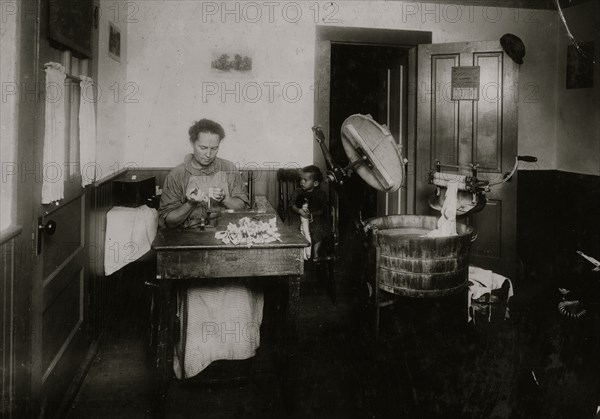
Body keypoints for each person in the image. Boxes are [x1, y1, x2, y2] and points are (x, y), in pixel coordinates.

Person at [158, 119, 263, 379]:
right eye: (203, 147)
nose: (208, 154)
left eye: (214, 148)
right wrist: (190, 204)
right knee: (197, 296)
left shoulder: (228, 169)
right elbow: (168, 220)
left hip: (225, 241)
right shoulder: (177, 175)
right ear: (192, 143)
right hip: (191, 245)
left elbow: (242, 206)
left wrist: (224, 199)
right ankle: (196, 361)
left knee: (240, 292)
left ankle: (237, 358)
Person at [290, 165, 329, 260]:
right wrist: (299, 211)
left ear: (315, 183)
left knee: (319, 230)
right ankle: (298, 253)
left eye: (305, 180)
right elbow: (292, 205)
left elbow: (322, 210)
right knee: (295, 229)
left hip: (314, 219)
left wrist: (312, 215)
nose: (302, 182)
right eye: (301, 179)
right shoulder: (297, 192)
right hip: (298, 216)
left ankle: (315, 253)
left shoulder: (320, 194)